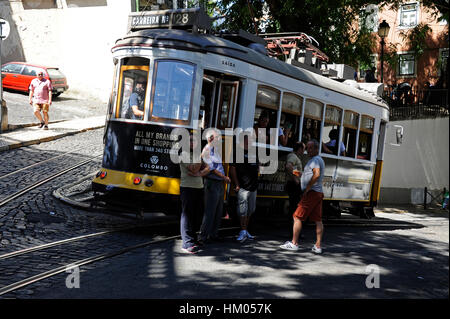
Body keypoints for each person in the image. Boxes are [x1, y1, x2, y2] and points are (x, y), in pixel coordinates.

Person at [280, 139, 325, 254]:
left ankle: (294, 243)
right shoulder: (318, 160)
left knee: (297, 216)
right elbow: (305, 175)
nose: (308, 150)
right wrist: (296, 173)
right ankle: (318, 246)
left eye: (310, 148)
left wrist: (308, 188)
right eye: (307, 148)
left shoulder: (315, 160)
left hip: (312, 193)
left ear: (316, 149)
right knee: (318, 220)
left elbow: (316, 174)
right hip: (318, 193)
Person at [198, 130, 231, 245]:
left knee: (218, 211)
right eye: (217, 138)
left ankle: (213, 234)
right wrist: (224, 177)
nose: (219, 140)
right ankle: (202, 236)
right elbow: (211, 168)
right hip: (212, 182)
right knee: (210, 211)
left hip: (219, 183)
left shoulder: (215, 150)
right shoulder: (207, 150)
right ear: (210, 139)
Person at [179, 134, 210, 254]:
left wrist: (200, 174)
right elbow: (193, 169)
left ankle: (193, 239)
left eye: (195, 141)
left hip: (198, 187)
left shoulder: (197, 155)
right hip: (187, 188)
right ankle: (186, 243)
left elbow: (208, 168)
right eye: (191, 141)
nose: (193, 143)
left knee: (197, 214)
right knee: (187, 215)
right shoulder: (184, 154)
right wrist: (199, 167)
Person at [229, 134, 259, 243]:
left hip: (253, 186)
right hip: (242, 186)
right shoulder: (237, 152)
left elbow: (257, 166)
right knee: (243, 209)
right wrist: (236, 184)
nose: (252, 142)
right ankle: (242, 231)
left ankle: (245, 230)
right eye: (250, 140)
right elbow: (232, 169)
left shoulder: (254, 152)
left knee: (251, 209)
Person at [285, 141, 305, 217]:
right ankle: (293, 222)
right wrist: (295, 178)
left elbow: (292, 168)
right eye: (303, 149)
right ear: (300, 149)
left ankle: (293, 221)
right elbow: (288, 166)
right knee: (294, 204)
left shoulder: (295, 157)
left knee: (295, 204)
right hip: (293, 184)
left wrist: (299, 174)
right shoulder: (293, 156)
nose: (304, 151)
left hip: (294, 184)